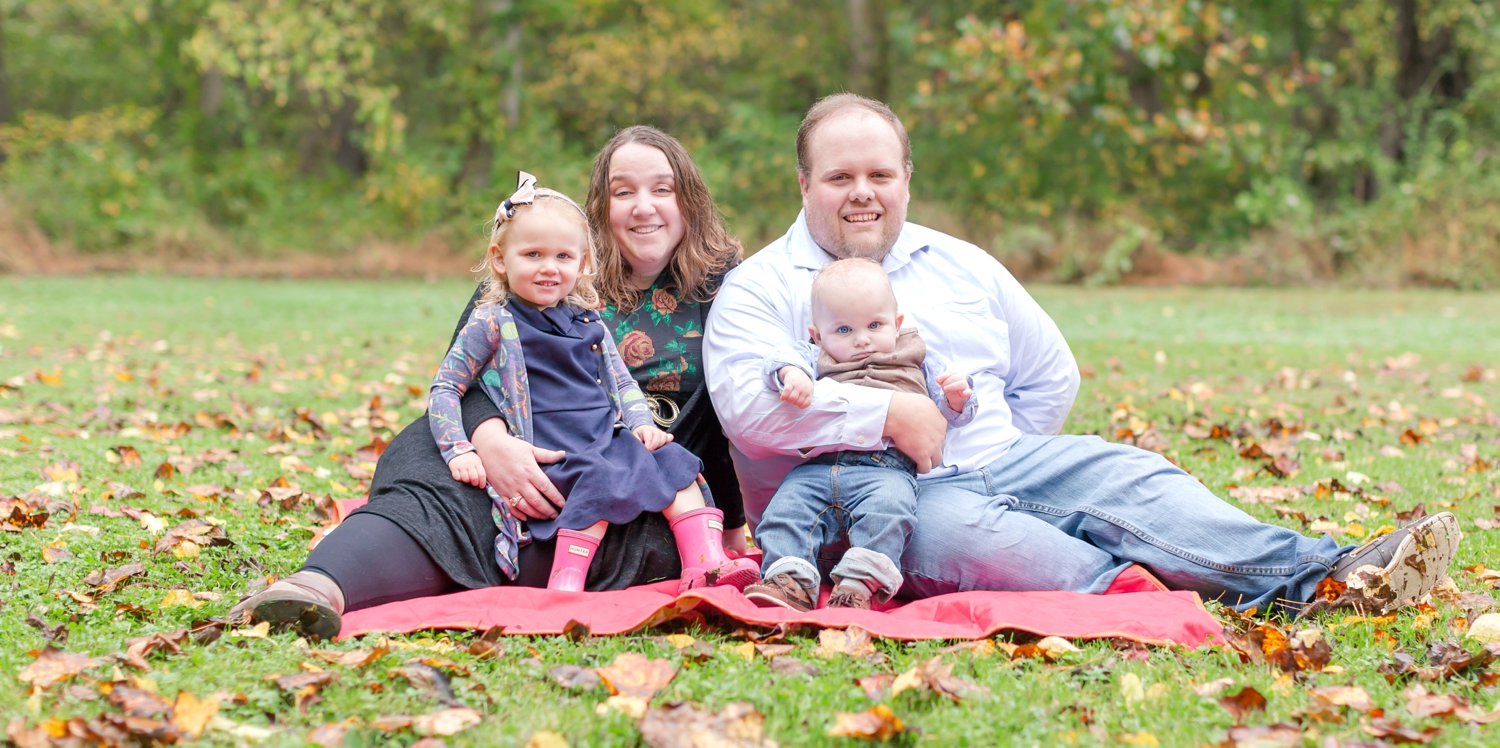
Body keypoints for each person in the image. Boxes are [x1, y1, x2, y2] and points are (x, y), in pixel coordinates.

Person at [704, 93, 1461, 614]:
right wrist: (891, 414)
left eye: (879, 175)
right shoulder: (764, 285)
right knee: (984, 540)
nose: (861, 193)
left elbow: (1049, 375)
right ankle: (1149, 600)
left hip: (1001, 457)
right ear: (804, 184)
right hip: (857, 505)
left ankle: (1328, 575)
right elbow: (752, 412)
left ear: (907, 179)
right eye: (839, 177)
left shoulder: (960, 264)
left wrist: (1010, 459)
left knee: (1131, 476)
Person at [232, 127, 749, 638]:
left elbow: (732, 416)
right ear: (599, 209)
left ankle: (517, 563)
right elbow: (462, 379)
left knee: (618, 513)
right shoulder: (532, 274)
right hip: (519, 447)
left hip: (628, 483)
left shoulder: (728, 286)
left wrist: (730, 529)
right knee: (431, 475)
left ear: (691, 200)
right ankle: (319, 587)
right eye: (622, 192)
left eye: (663, 188)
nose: (643, 207)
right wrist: (491, 440)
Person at [425, 173, 756, 593]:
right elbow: (446, 387)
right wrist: (460, 448)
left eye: (563, 257)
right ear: (499, 259)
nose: (549, 268)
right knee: (597, 483)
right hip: (553, 445)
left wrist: (641, 424)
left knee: (677, 468)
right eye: (532, 254)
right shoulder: (493, 321)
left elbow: (622, 384)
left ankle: (704, 563)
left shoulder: (589, 320)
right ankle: (567, 578)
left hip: (605, 436)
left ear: (581, 264)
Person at [745, 257, 974, 612]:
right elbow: (778, 358)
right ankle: (789, 579)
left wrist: (957, 400)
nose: (862, 340)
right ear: (817, 335)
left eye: (874, 324)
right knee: (785, 507)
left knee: (890, 512)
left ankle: (857, 586)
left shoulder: (918, 356)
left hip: (885, 471)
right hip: (818, 466)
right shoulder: (814, 355)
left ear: (896, 324)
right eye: (844, 331)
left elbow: (943, 417)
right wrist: (794, 375)